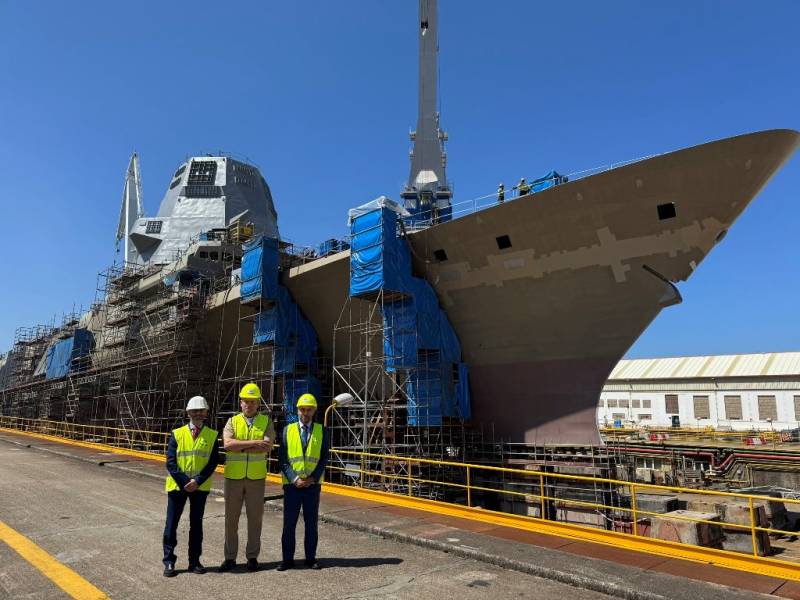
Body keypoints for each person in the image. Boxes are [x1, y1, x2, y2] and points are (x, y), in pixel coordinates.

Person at [219, 382, 275, 572]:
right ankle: (230, 558)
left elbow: (267, 446)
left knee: (255, 520)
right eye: (245, 401)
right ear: (240, 403)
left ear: (258, 403)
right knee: (230, 520)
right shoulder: (232, 421)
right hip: (233, 478)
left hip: (256, 479)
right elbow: (227, 444)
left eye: (252, 402)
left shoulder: (266, 422)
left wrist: (240, 444)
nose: (249, 405)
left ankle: (252, 557)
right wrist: (254, 443)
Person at [163, 396, 219, 577]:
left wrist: (197, 481)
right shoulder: (177, 434)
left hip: (199, 487)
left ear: (206, 413)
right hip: (178, 487)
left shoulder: (212, 435)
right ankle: (169, 561)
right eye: (194, 411)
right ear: (188, 413)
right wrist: (185, 482)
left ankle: (194, 561)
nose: (198, 414)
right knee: (172, 524)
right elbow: (171, 462)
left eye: (201, 411)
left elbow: (212, 462)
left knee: (197, 525)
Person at [277, 393, 329, 571]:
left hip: (312, 486)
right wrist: (295, 479)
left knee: (311, 524)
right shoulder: (287, 430)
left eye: (308, 409)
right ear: (297, 410)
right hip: (292, 486)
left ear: (314, 411)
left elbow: (323, 458)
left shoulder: (322, 431)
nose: (305, 413)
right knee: (289, 524)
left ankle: (310, 558)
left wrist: (312, 478)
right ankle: (287, 559)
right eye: (302, 409)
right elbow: (283, 459)